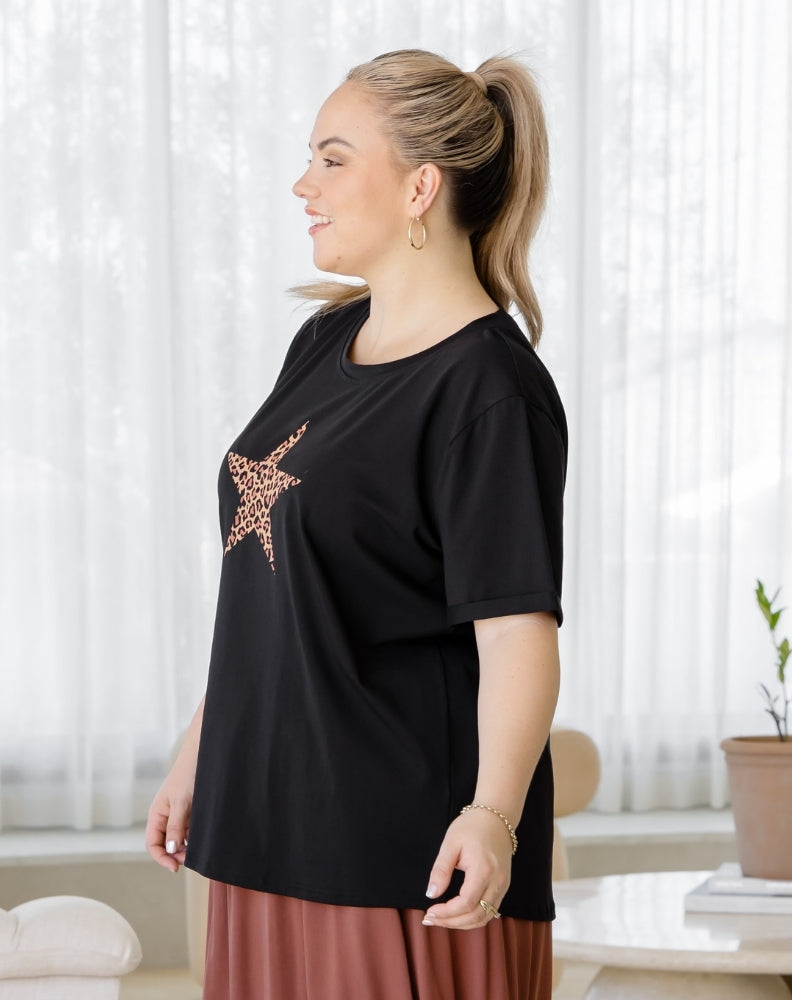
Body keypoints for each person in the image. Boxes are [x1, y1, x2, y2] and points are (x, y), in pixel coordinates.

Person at [146, 48, 565, 1000]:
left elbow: (516, 632)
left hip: (395, 858)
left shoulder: (489, 389)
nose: (305, 185)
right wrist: (201, 750)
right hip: (266, 830)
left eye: (333, 159)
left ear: (421, 187)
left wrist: (494, 818)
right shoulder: (323, 340)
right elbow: (280, 588)